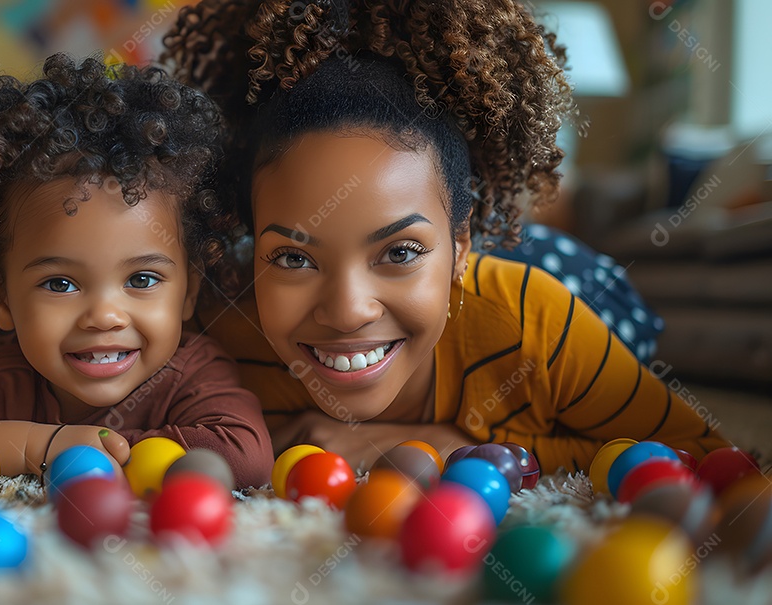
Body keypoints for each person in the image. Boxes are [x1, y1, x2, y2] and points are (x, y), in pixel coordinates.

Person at [162, 0, 730, 473]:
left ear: (460, 246)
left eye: (399, 251)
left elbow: (710, 458)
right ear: (248, 243)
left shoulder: (541, 324)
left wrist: (448, 447)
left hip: (562, 275)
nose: (347, 311)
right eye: (292, 257)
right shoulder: (221, 329)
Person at [0, 55, 274, 489]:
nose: (104, 315)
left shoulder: (193, 371)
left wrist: (90, 452)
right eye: (60, 284)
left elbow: (244, 455)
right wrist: (37, 445)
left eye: (142, 279)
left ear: (189, 290)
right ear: (0, 296)